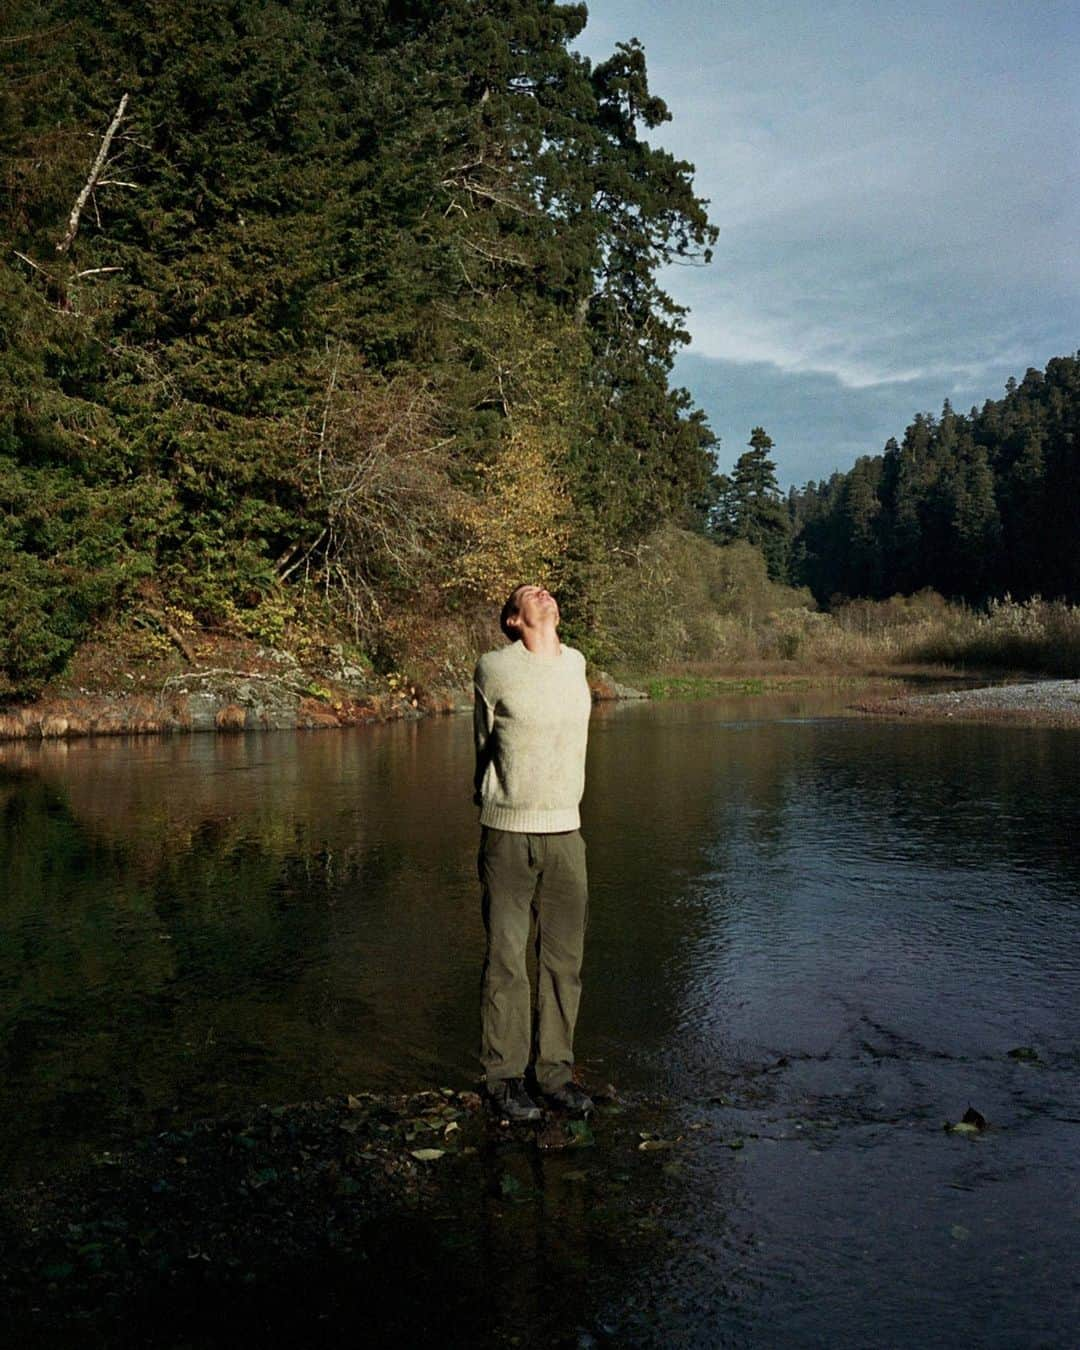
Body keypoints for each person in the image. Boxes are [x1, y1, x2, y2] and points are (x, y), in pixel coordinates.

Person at [472, 582, 594, 1121]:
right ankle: (502, 1077)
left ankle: (554, 1075)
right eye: (529, 594)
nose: (542, 595)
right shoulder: (493, 668)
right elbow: (483, 744)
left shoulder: (577, 664)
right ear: (513, 621)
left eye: (546, 591)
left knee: (563, 962)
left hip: (568, 832)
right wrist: (493, 798)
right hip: (508, 832)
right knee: (507, 959)